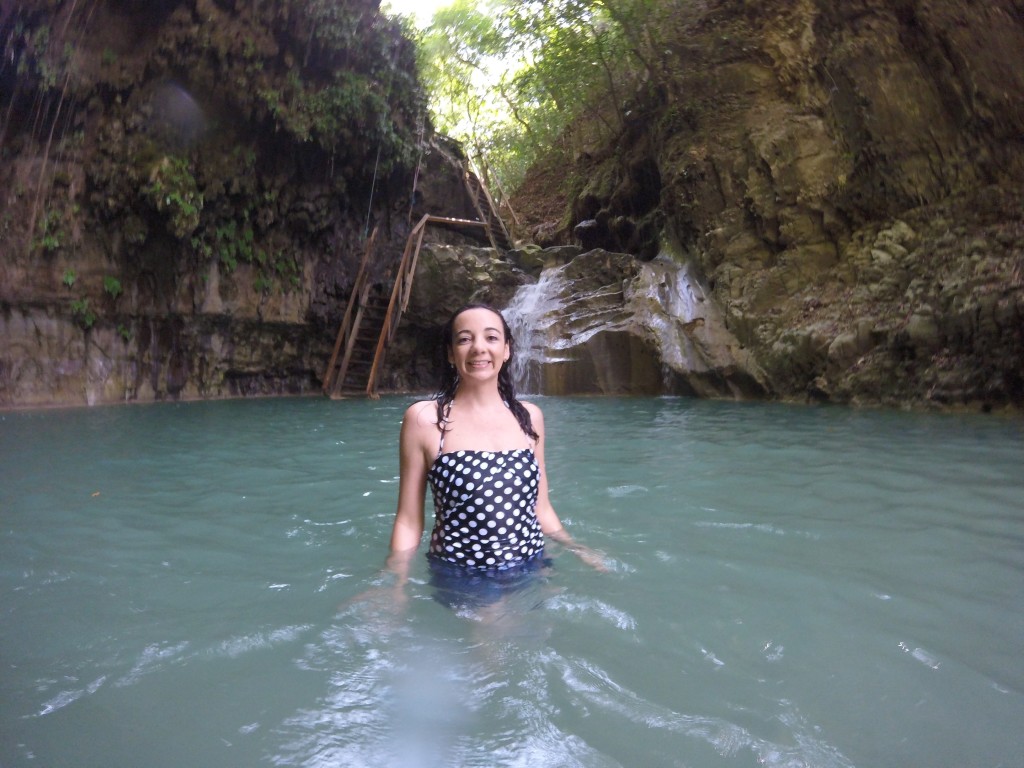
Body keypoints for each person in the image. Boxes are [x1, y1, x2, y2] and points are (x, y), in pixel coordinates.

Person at [386, 303, 604, 599]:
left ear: (507, 350)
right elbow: (409, 520)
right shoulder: (425, 419)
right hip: (464, 575)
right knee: (494, 641)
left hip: (533, 565)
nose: (479, 348)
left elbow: (541, 508)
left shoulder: (529, 418)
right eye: (464, 339)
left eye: (491, 338)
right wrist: (393, 585)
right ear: (451, 353)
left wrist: (578, 549)